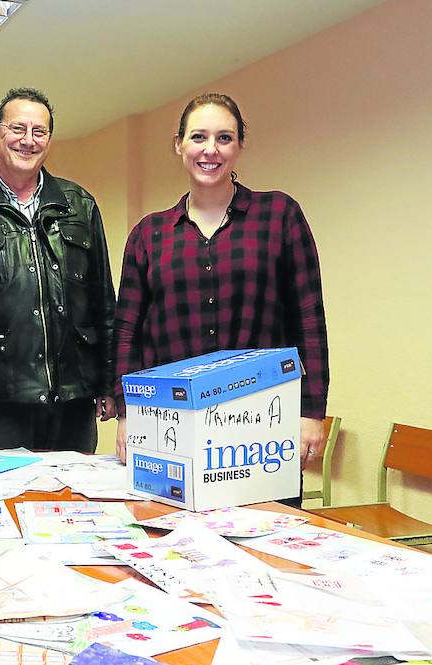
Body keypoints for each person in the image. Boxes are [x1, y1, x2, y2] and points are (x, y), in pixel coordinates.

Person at [113, 93, 329, 488]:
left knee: (262, 539)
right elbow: (127, 332)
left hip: (262, 429)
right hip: (172, 427)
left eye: (224, 138)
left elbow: (309, 319)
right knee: (172, 538)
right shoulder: (149, 234)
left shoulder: (279, 215)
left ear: (240, 146)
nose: (210, 150)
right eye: (198, 137)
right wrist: (128, 415)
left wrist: (311, 413)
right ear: (179, 145)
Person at [0, 87, 116, 452]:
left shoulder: (79, 205)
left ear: (49, 139)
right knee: (5, 504)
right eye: (18, 129)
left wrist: (109, 383)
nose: (28, 141)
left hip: (73, 397)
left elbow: (103, 303)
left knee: (76, 502)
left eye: (39, 131)